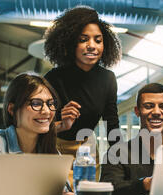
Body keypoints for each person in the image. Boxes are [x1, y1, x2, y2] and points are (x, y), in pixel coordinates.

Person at [43, 6, 123, 182]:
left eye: (98, 40)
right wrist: (60, 122)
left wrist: (123, 158)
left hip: (87, 148)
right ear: (71, 43)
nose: (92, 46)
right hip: (55, 146)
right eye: (83, 39)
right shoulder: (53, 78)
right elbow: (40, 127)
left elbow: (112, 123)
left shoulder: (108, 79)